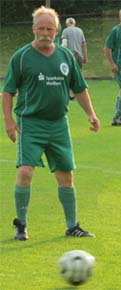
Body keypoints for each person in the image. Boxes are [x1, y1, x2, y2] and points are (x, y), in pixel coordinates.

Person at [1, 6, 100, 241]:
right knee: (25, 171)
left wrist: (91, 114)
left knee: (66, 175)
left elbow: (79, 88)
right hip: (31, 123)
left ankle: (71, 226)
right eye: (40, 28)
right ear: (33, 29)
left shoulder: (66, 56)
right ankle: (21, 225)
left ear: (57, 30)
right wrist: (8, 122)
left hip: (58, 124)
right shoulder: (22, 56)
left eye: (49, 28)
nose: (45, 32)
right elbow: (7, 92)